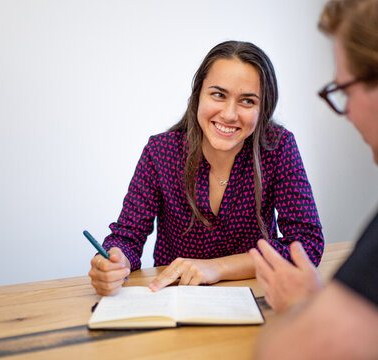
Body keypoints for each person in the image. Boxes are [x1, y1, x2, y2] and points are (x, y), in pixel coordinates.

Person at [250, 0, 378, 358]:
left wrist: (302, 305)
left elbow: (289, 353)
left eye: (345, 91)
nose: (346, 112)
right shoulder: (162, 149)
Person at [88, 40, 324, 296]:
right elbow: (127, 237)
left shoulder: (278, 147)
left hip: (256, 295)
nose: (229, 114)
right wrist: (114, 261)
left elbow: (307, 245)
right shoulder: (159, 151)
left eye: (247, 101)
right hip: (178, 298)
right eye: (219, 95)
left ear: (263, 108)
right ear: (197, 95)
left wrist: (217, 268)